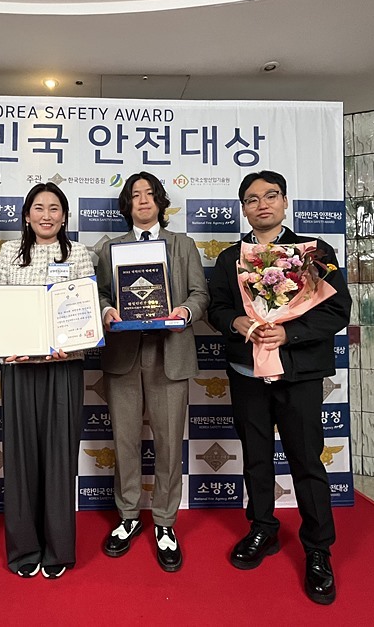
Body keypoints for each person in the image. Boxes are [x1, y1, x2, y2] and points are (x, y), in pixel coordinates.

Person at [207, 170, 351, 605]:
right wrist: (237, 321)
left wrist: (289, 333)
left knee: (306, 460)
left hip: (298, 372)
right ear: (244, 209)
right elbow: (216, 308)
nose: (262, 204)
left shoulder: (314, 252)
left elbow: (337, 310)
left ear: (285, 202)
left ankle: (318, 549)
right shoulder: (230, 258)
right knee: (256, 457)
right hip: (247, 372)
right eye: (252, 199)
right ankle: (263, 528)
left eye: (270, 196)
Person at [96, 171, 209, 572]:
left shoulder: (183, 244)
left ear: (160, 202)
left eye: (149, 194)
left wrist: (185, 312)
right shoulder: (110, 248)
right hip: (124, 354)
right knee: (124, 441)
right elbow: (101, 293)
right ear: (126, 205)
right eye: (135, 195)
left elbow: (200, 294)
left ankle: (164, 521)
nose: (142, 200)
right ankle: (128, 515)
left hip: (169, 352)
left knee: (168, 443)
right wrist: (107, 310)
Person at [0, 182, 95, 580]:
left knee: (60, 457)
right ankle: (24, 549)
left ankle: (58, 548)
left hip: (63, 367)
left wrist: (74, 343)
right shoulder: (10, 251)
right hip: (18, 367)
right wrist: (5, 347)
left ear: (64, 216)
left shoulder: (78, 252)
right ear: (27, 215)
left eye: (54, 208)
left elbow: (87, 308)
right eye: (38, 208)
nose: (46, 215)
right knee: (20, 456)